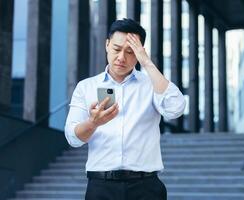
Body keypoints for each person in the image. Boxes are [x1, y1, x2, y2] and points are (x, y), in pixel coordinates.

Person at [65, 18, 186, 200]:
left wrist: (146, 62)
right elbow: (73, 138)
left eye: (130, 52)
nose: (121, 57)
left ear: (139, 53)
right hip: (101, 187)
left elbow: (176, 108)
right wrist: (93, 123)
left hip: (146, 188)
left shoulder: (151, 84)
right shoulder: (86, 87)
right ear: (107, 45)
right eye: (116, 49)